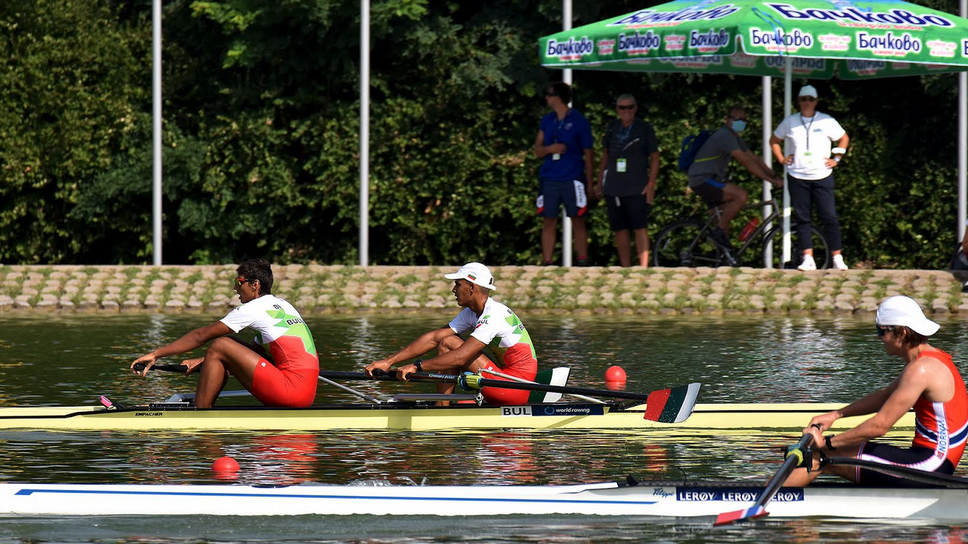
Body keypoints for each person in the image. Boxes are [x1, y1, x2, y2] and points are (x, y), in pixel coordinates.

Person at [786, 295, 967, 487]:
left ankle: (762, 503)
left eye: (881, 331)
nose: (879, 337)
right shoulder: (928, 360)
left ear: (902, 333)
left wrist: (827, 444)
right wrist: (835, 415)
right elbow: (885, 395)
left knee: (817, 456)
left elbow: (880, 426)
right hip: (929, 459)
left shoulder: (921, 370)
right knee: (826, 453)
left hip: (932, 465)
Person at [130, 258, 319, 408]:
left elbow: (201, 336)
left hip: (291, 391)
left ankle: (201, 412)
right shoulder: (284, 306)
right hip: (306, 393)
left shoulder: (254, 308)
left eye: (239, 281)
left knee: (221, 344)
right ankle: (204, 406)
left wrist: (156, 354)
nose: (235, 287)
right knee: (229, 345)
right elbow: (253, 354)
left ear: (255, 285)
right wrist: (204, 361)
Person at [364, 262, 538, 405]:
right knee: (446, 340)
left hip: (515, 390)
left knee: (449, 343)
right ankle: (443, 404)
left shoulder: (494, 315)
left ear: (472, 287)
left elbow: (461, 357)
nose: (453, 289)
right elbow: (433, 337)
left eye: (458, 284)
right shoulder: (472, 312)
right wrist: (388, 362)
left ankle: (441, 406)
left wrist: (416, 367)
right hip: (501, 381)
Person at [687, 105, 783, 264]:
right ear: (727, 120)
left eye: (743, 120)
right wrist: (771, 181)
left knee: (723, 219)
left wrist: (775, 176)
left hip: (712, 179)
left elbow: (754, 159)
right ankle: (718, 234)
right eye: (736, 119)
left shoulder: (735, 137)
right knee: (741, 195)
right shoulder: (725, 135)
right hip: (703, 179)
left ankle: (724, 258)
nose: (740, 122)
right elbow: (745, 162)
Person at [770, 85, 851, 271]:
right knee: (803, 218)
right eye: (803, 99)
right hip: (797, 175)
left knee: (829, 216)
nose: (807, 102)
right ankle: (808, 257)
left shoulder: (826, 121)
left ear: (816, 101)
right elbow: (774, 141)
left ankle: (837, 256)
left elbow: (843, 138)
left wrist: (837, 158)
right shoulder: (790, 121)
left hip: (822, 174)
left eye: (810, 99)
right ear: (799, 101)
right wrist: (782, 159)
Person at [534, 81, 594, 266]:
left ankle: (582, 259)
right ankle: (547, 260)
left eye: (549, 94)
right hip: (550, 177)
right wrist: (550, 149)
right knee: (548, 220)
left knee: (578, 219)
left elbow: (589, 152)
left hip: (573, 176)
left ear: (558, 97)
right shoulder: (547, 120)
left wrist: (590, 183)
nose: (546, 98)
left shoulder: (578, 120)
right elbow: (537, 150)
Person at [596, 94, 660, 267]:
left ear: (635, 108)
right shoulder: (612, 127)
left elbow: (654, 156)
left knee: (640, 226)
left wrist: (651, 183)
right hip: (614, 185)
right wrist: (599, 180)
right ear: (617, 110)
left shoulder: (644, 128)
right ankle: (625, 266)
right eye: (622, 108)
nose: (626, 111)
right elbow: (605, 156)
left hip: (637, 185)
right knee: (619, 228)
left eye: (630, 107)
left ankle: (644, 267)